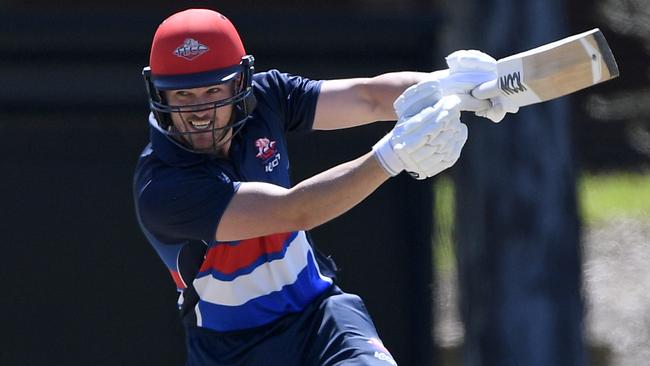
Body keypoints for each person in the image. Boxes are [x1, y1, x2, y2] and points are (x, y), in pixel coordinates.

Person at [133, 8, 515, 366]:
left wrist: (446, 87)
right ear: (160, 95)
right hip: (231, 351)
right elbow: (294, 211)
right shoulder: (162, 187)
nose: (199, 111)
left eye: (212, 91)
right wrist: (392, 156)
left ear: (239, 83)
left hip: (319, 315)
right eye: (183, 94)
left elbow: (368, 98)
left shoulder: (267, 97)